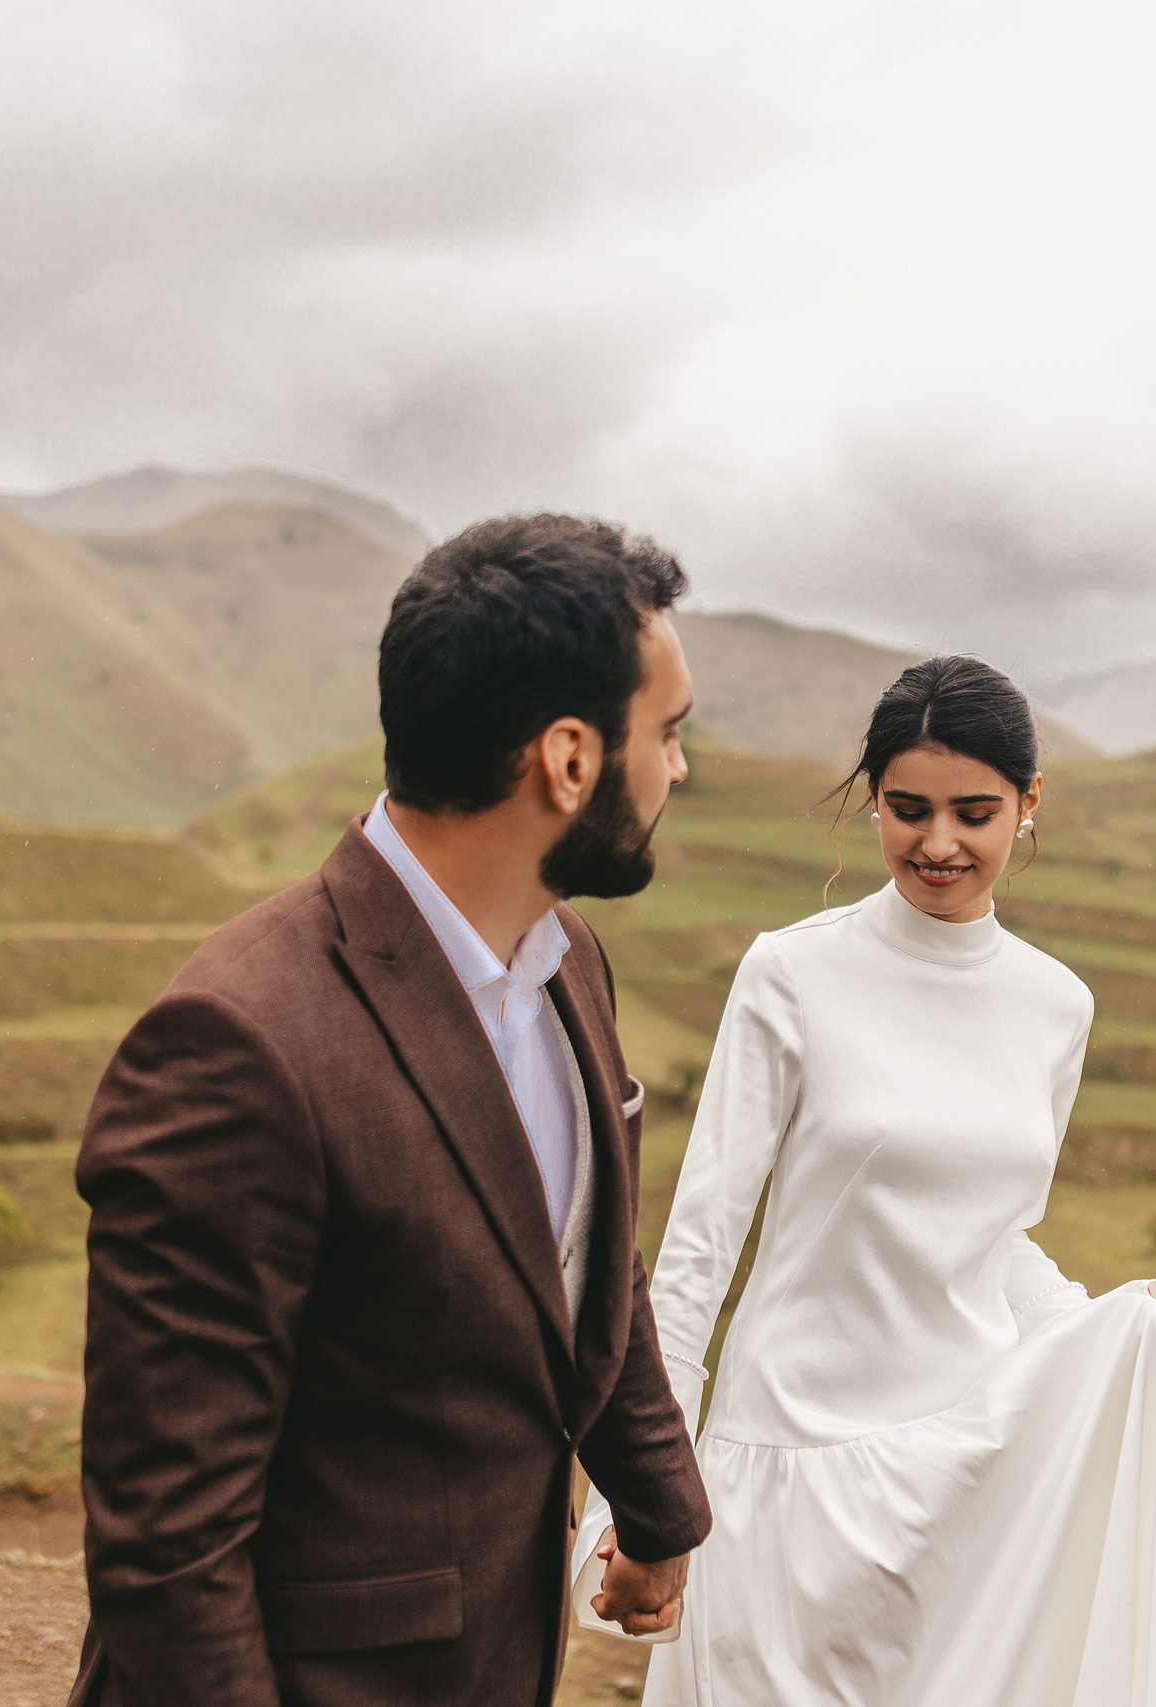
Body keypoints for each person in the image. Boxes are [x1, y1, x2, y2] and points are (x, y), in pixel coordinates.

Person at [69, 514, 713, 1707]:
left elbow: (584, 1257)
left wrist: (658, 1506)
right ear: (568, 761)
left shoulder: (568, 960)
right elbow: (169, 1551)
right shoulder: (239, 1045)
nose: (677, 769)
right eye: (666, 733)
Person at [579, 655, 1156, 1706]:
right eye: (907, 809)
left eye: (974, 813)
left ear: (1029, 803)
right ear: (873, 800)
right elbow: (696, 1251)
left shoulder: (1057, 1006)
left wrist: (1120, 1330)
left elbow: (995, 1238)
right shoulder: (791, 973)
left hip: (970, 1488)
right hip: (789, 1482)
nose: (938, 843)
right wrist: (644, 1504)